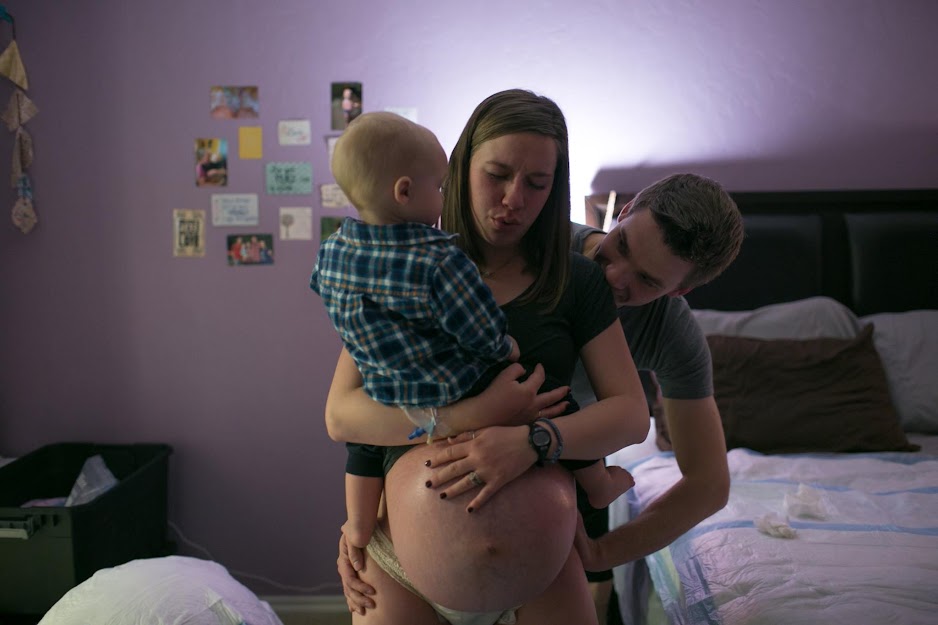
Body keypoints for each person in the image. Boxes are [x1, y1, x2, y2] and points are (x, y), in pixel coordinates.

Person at [339, 170, 745, 622]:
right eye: (623, 245)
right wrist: (363, 526)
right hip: (411, 550)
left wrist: (602, 553)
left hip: (544, 564)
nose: (613, 275)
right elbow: (368, 398)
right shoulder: (527, 245)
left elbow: (709, 484)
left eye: (647, 280)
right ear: (624, 212)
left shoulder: (671, 333)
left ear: (680, 290)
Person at [324, 89, 650, 624]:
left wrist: (535, 440)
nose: (514, 198)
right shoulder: (400, 264)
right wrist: (472, 416)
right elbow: (342, 416)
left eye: (537, 184)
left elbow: (632, 414)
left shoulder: (577, 282)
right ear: (459, 166)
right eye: (496, 174)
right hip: (402, 564)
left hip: (541, 571)